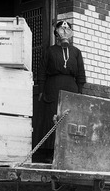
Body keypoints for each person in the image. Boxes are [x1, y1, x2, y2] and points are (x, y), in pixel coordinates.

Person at [35, 20, 86, 162]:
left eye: (67, 30)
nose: (64, 32)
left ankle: (69, 152)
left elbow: (81, 74)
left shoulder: (76, 52)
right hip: (53, 87)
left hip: (71, 88)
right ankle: (50, 153)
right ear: (56, 33)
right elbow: (42, 72)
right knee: (52, 118)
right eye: (61, 30)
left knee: (69, 118)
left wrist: (79, 92)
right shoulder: (50, 51)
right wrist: (41, 90)